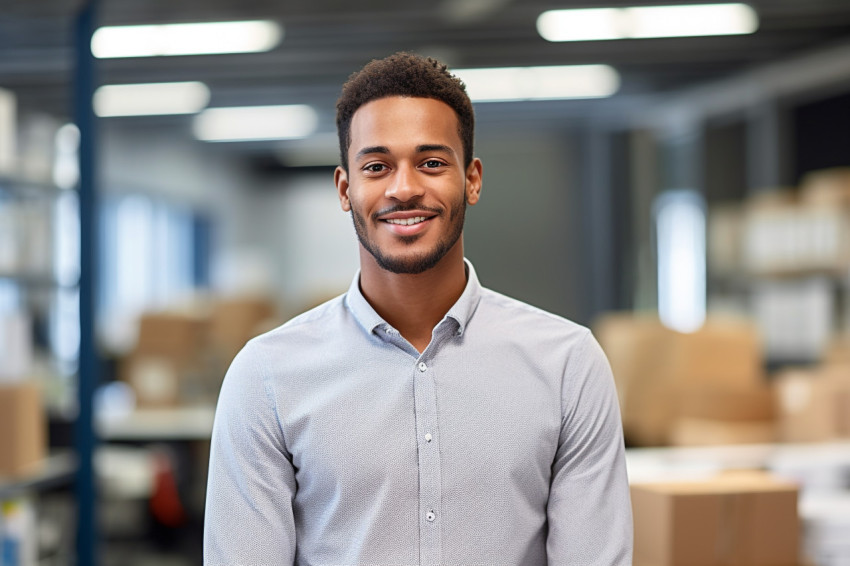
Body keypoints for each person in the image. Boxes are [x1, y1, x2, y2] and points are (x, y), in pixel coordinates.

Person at [204, 52, 632, 566]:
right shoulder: (266, 376)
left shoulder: (568, 365)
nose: (404, 189)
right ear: (346, 188)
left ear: (471, 179)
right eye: (377, 166)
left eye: (431, 163)